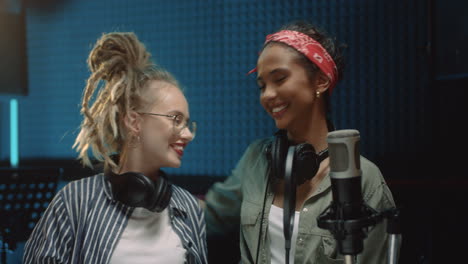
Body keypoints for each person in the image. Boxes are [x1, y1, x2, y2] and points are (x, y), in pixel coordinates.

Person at [203, 20, 398, 263]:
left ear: (320, 81)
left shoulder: (365, 179)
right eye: (262, 86)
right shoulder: (256, 158)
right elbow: (208, 216)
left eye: (280, 79)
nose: (268, 95)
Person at [23, 32, 207, 263]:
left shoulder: (188, 207)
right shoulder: (75, 201)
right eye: (176, 119)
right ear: (134, 122)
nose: (188, 134)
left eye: (188, 124)